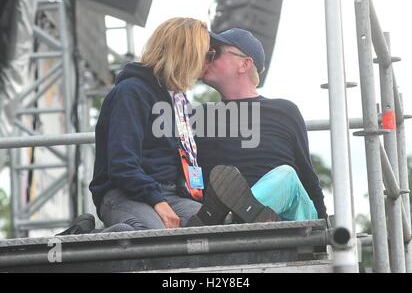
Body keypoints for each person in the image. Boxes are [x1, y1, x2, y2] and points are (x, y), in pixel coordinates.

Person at [188, 28, 327, 226]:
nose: (208, 58)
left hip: (287, 221)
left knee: (286, 176)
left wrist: (326, 236)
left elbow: (308, 178)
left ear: (245, 64)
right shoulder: (199, 117)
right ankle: (240, 217)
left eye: (215, 52)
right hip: (229, 219)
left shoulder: (284, 110)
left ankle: (239, 215)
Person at [87, 17, 214, 232]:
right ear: (187, 54)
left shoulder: (180, 101)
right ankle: (87, 240)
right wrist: (158, 202)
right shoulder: (131, 92)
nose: (209, 61)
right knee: (151, 236)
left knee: (221, 230)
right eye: (207, 55)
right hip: (125, 193)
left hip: (173, 195)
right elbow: (122, 165)